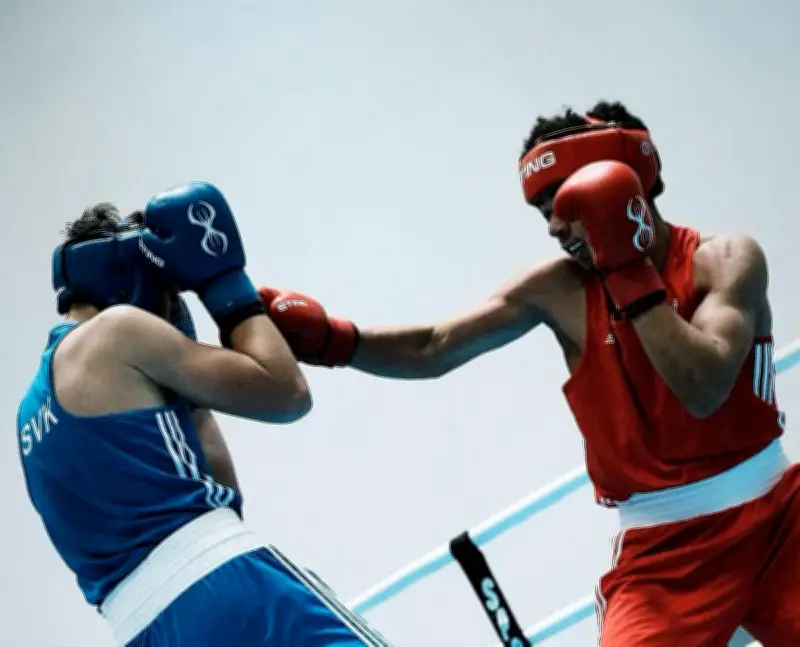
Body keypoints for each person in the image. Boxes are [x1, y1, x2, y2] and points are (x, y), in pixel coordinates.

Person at [258, 101, 800, 646]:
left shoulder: (724, 259)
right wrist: (337, 341)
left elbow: (704, 389)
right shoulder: (558, 289)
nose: (556, 227)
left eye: (566, 201)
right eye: (544, 213)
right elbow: (434, 345)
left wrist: (627, 269)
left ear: (623, 184)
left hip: (782, 519)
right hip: (664, 558)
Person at [17, 185, 391, 646]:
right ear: (131, 273)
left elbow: (220, 491)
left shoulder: (30, 414)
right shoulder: (118, 329)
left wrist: (186, 394)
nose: (174, 305)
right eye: (170, 291)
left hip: (144, 631)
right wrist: (227, 287)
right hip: (230, 585)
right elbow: (286, 393)